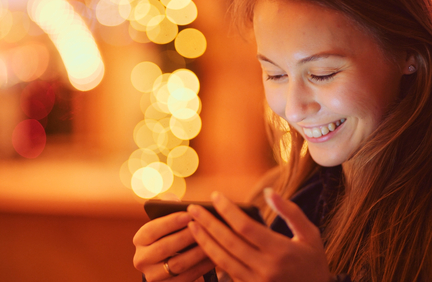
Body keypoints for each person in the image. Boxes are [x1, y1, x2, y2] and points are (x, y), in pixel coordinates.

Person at [133, 0, 432, 281]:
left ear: (407, 55)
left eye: (323, 73)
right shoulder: (271, 198)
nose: (293, 109)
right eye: (275, 74)